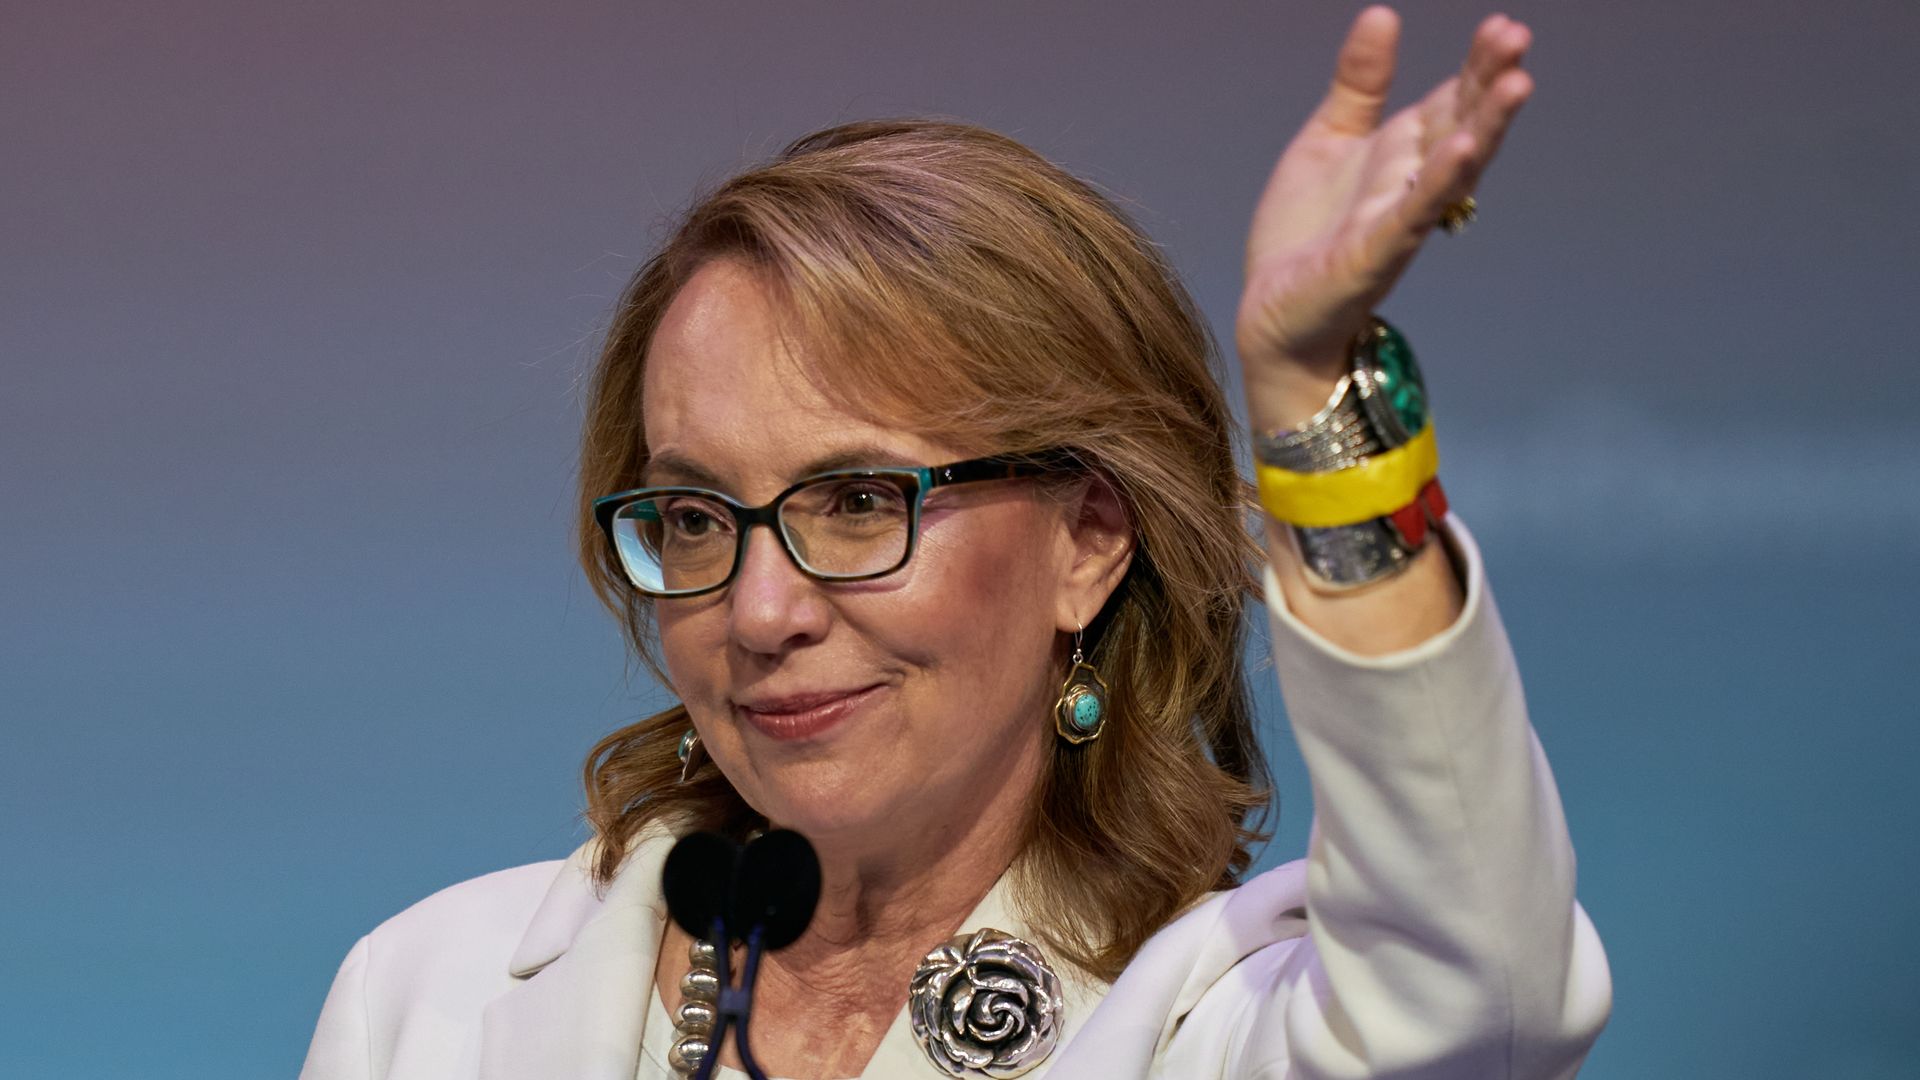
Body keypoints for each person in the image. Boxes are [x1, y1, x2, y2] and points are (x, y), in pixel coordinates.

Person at [300, 8, 1611, 1079]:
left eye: (860, 502)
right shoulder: (430, 1002)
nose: (761, 612)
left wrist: (1311, 395)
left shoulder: (1216, 1024)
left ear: (1090, 537)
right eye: (697, 519)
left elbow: (1481, 996)